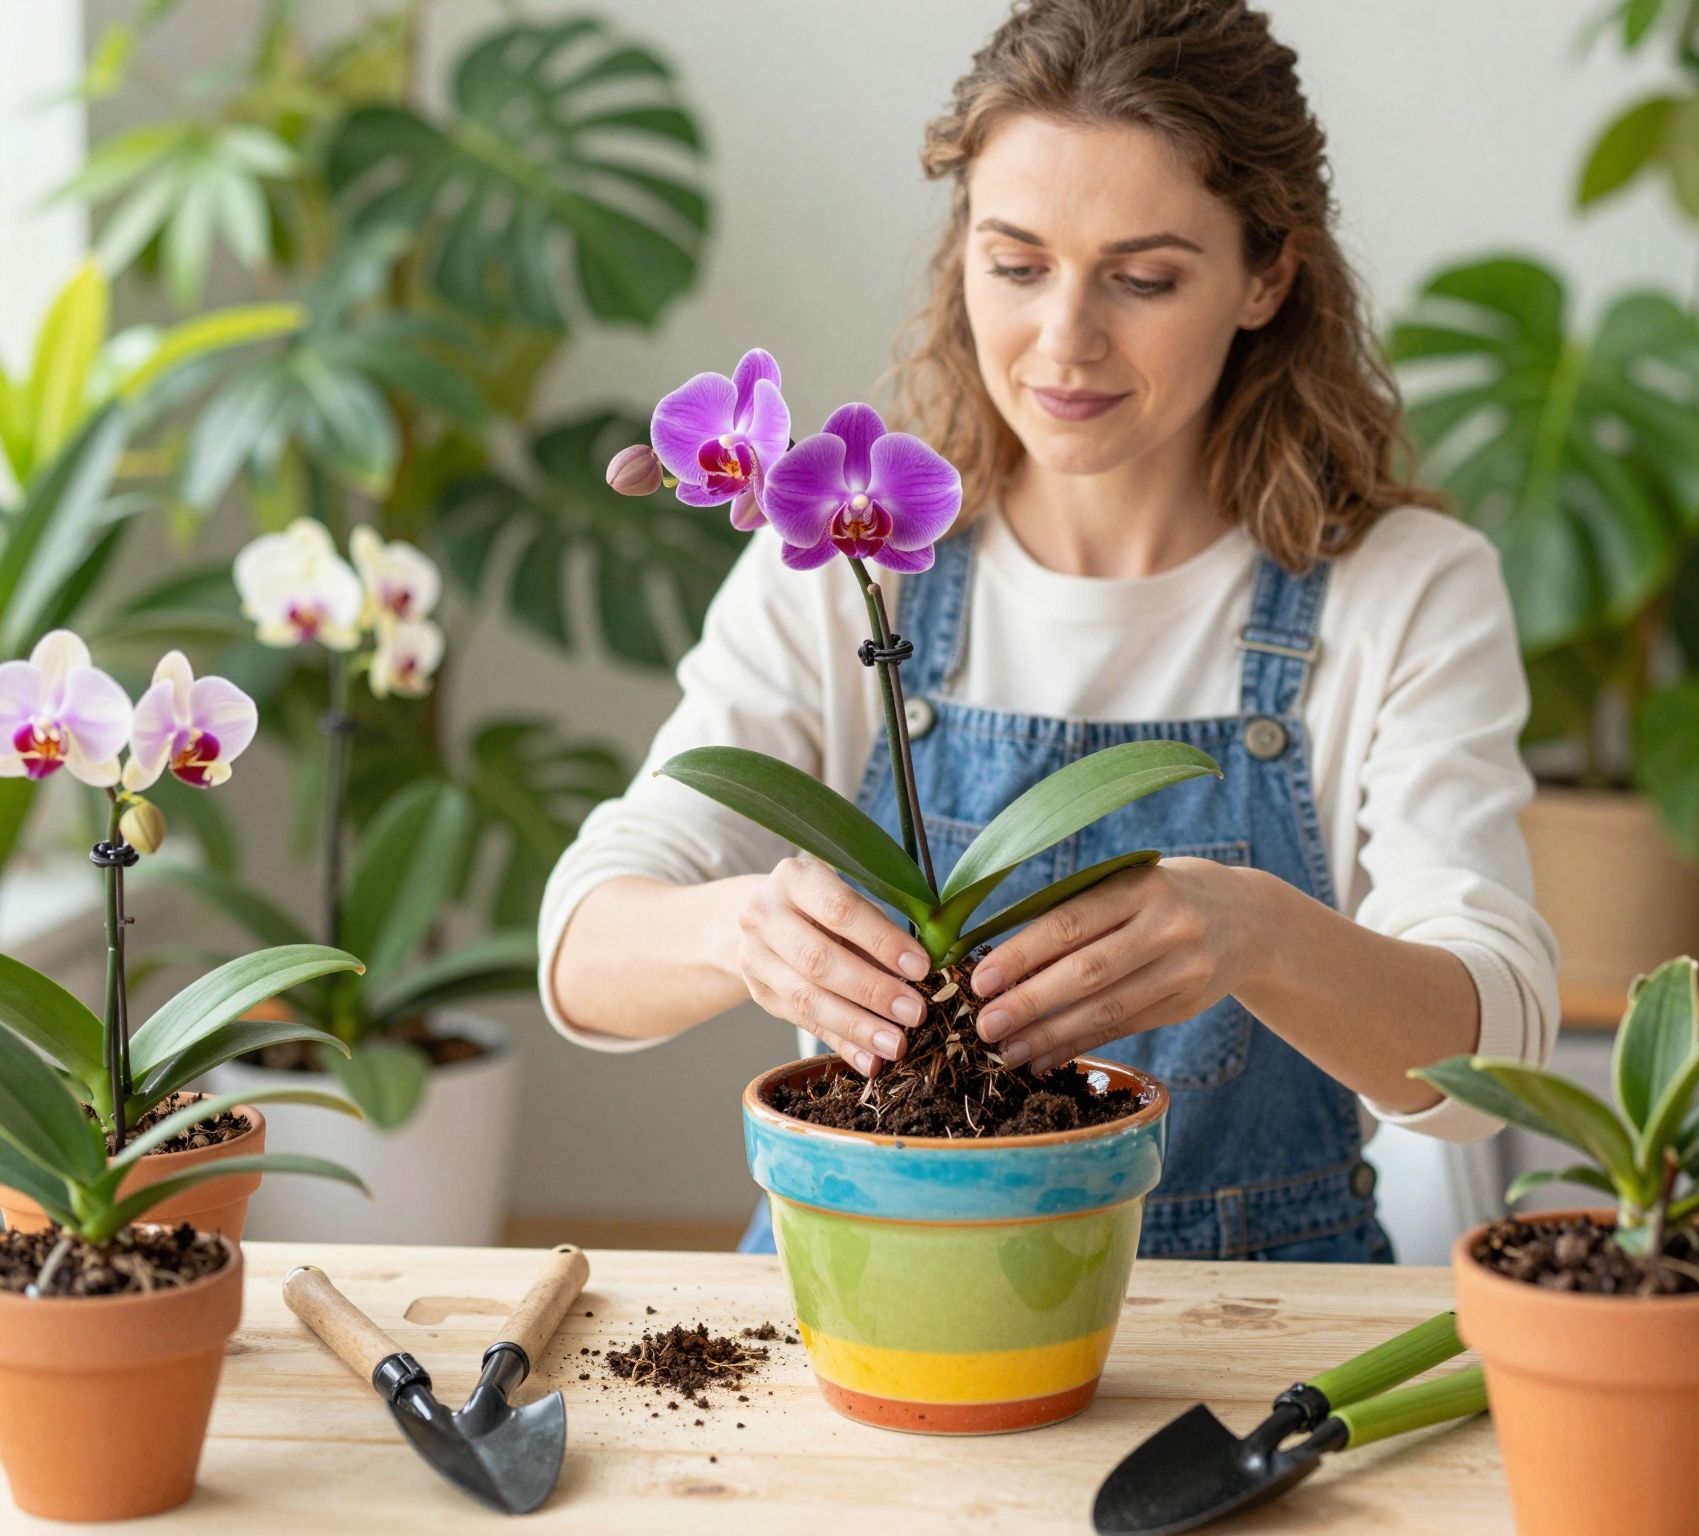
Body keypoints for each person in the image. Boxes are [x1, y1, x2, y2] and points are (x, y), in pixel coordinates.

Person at [540, 0, 1559, 1263]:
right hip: (875, 1285)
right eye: (1015, 265)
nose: (1063, 342)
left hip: (1244, 1322)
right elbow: (583, 946)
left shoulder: (1400, 591)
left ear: (1265, 276)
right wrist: (735, 929)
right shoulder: (849, 568)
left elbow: (1490, 1048)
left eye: (1142, 279)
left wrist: (1256, 933)